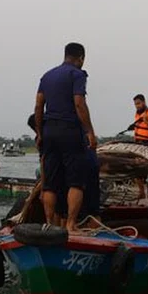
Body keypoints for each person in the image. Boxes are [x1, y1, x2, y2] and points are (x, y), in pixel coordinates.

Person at [34, 42, 96, 231]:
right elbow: (79, 104)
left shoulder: (47, 76)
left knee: (50, 183)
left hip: (49, 131)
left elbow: (38, 106)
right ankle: (70, 225)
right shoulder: (77, 75)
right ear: (81, 58)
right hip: (70, 130)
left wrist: (39, 133)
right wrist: (90, 132)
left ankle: (49, 225)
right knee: (76, 181)